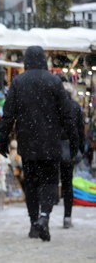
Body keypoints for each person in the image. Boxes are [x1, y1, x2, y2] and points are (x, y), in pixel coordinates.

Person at [0, 45, 77, 242]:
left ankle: (34, 223)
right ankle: (44, 217)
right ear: (44, 60)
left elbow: (8, 115)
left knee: (31, 183)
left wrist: (3, 140)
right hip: (51, 142)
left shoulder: (18, 82)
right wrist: (73, 142)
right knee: (50, 181)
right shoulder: (54, 81)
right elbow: (67, 115)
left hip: (27, 141)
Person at [60, 82, 85, 228]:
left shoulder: (53, 106)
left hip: (53, 148)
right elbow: (80, 130)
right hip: (69, 148)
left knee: (49, 182)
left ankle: (45, 215)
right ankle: (67, 217)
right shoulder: (74, 107)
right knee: (67, 184)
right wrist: (79, 148)